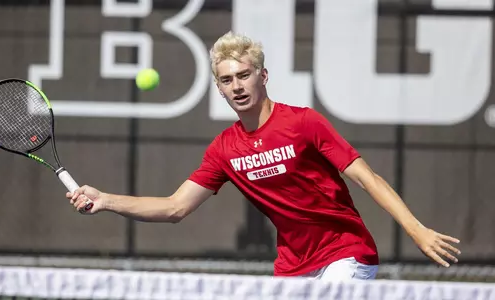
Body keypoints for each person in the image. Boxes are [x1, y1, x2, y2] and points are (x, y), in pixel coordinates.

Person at [67, 31, 461, 280]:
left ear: (263, 76)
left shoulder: (305, 123)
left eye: (243, 75)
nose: (237, 86)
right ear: (219, 89)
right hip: (292, 268)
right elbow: (174, 207)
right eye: (226, 80)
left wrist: (416, 230)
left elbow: (368, 178)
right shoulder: (224, 149)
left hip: (347, 255)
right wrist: (106, 201)